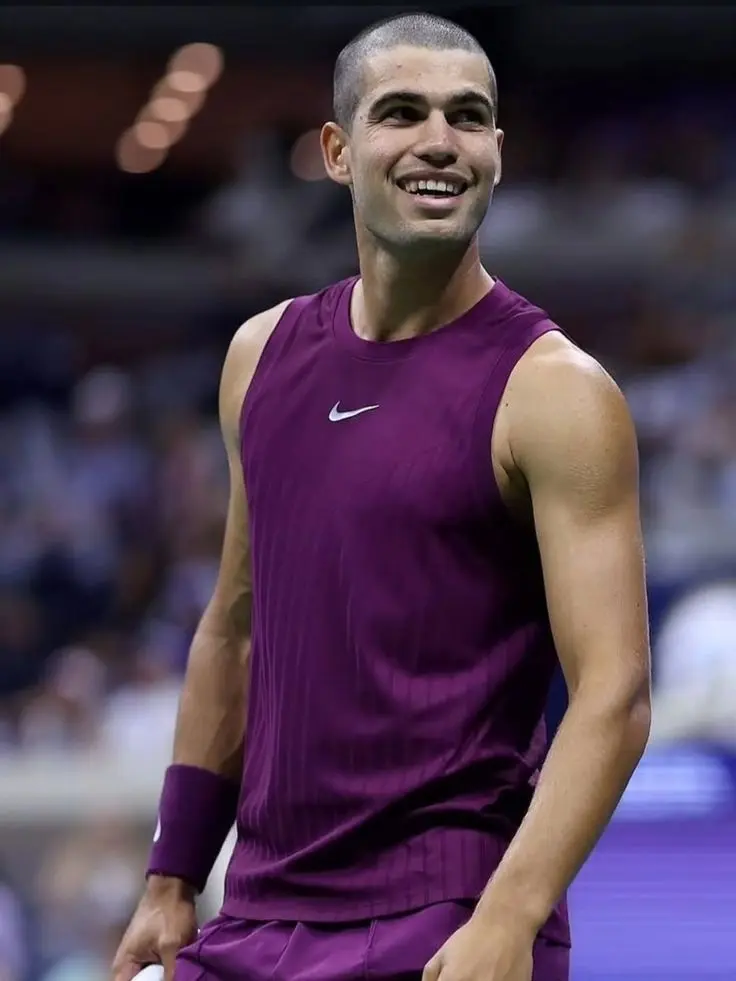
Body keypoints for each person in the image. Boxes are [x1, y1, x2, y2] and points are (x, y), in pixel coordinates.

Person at [112, 12, 652, 981]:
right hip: (259, 914)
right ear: (336, 150)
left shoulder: (556, 392)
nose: (439, 141)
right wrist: (171, 874)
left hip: (449, 920)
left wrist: (509, 918)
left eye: (467, 117)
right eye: (402, 113)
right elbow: (233, 631)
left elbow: (613, 692)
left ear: (496, 151)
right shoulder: (259, 356)